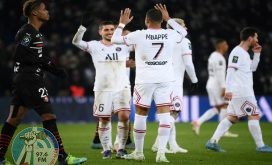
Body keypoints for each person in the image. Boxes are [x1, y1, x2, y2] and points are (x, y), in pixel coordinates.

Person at [0, 1, 87, 165]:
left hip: (23, 80)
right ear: (34, 13)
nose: (47, 12)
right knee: (49, 115)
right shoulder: (28, 32)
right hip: (30, 79)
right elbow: (19, 53)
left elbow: (36, 57)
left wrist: (55, 69)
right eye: (43, 9)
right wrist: (43, 63)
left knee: (14, 119)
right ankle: (62, 157)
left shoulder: (35, 33)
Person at [111, 4, 187, 163]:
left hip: (144, 80)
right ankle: (161, 154)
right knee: (165, 114)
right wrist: (169, 19)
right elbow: (184, 32)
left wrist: (122, 24)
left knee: (141, 114)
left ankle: (139, 152)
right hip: (165, 79)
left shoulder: (139, 35)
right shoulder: (170, 34)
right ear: (161, 20)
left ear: (146, 21)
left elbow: (114, 39)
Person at [205, 27, 272, 153]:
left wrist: (257, 54)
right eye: (256, 37)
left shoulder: (244, 53)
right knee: (254, 115)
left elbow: (252, 68)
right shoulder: (237, 52)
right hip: (242, 91)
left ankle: (212, 142)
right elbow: (230, 70)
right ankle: (261, 146)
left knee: (232, 118)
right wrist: (228, 89)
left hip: (241, 91)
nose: (257, 40)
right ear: (250, 38)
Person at [72, 21, 133, 159]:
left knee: (124, 116)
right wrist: (82, 28)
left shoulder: (123, 45)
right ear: (100, 32)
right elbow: (76, 42)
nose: (110, 32)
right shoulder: (94, 45)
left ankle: (121, 148)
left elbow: (140, 45)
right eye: (106, 30)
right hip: (102, 88)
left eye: (112, 29)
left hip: (122, 86)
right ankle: (106, 149)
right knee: (104, 119)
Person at [151, 18, 197, 154]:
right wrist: (194, 79)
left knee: (166, 113)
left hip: (158, 80)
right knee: (174, 113)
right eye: (183, 25)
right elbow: (188, 63)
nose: (186, 27)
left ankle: (173, 144)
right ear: (176, 27)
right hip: (174, 82)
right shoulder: (183, 40)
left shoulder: (162, 38)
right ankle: (158, 144)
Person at [192, 39, 239, 137]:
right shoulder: (220, 58)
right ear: (220, 45)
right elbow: (220, 73)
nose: (227, 45)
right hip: (217, 85)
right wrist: (223, 87)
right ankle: (223, 131)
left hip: (211, 83)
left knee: (218, 108)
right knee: (225, 105)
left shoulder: (212, 55)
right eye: (225, 44)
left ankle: (198, 122)